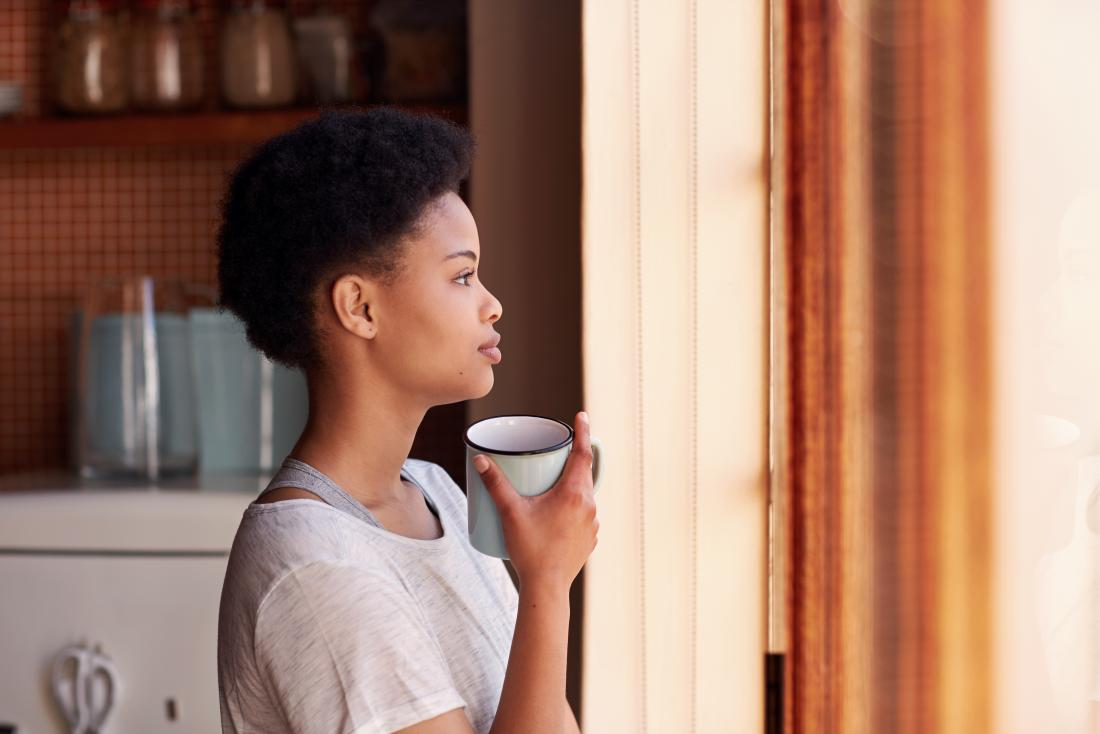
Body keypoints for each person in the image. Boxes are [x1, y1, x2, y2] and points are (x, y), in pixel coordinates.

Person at [214, 107, 599, 734]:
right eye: (464, 275)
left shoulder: (440, 495)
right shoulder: (314, 563)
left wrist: (545, 577)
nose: (492, 304)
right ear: (359, 307)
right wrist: (549, 581)